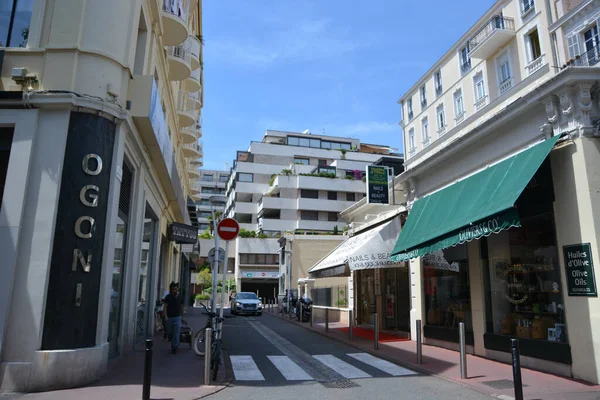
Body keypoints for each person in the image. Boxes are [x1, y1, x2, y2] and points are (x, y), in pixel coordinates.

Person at [163, 282, 184, 354]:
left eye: (175, 289)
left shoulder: (180, 296)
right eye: (173, 289)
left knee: (176, 332)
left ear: (177, 289)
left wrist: (182, 316)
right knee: (170, 332)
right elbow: (165, 307)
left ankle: (174, 346)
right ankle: (171, 338)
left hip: (177, 317)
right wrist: (165, 316)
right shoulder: (168, 297)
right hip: (169, 317)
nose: (174, 290)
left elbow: (181, 307)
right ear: (170, 290)